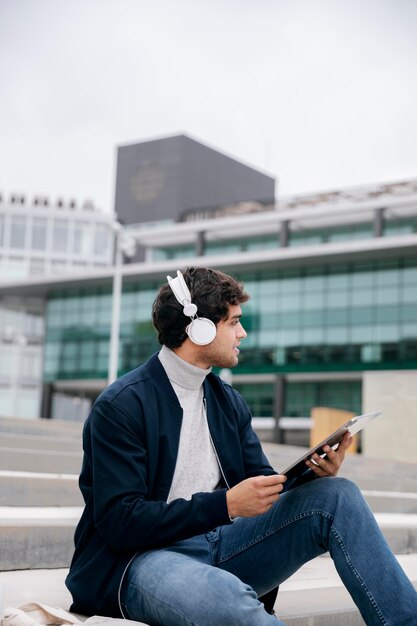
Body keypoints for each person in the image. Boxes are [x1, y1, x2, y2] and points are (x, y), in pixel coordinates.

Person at [66, 266, 417, 626]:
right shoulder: (122, 405)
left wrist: (312, 475)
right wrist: (226, 505)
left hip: (220, 543)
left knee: (337, 495)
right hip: (138, 561)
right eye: (233, 322)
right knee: (224, 599)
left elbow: (261, 480)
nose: (242, 333)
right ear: (199, 329)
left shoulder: (226, 401)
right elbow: (120, 522)